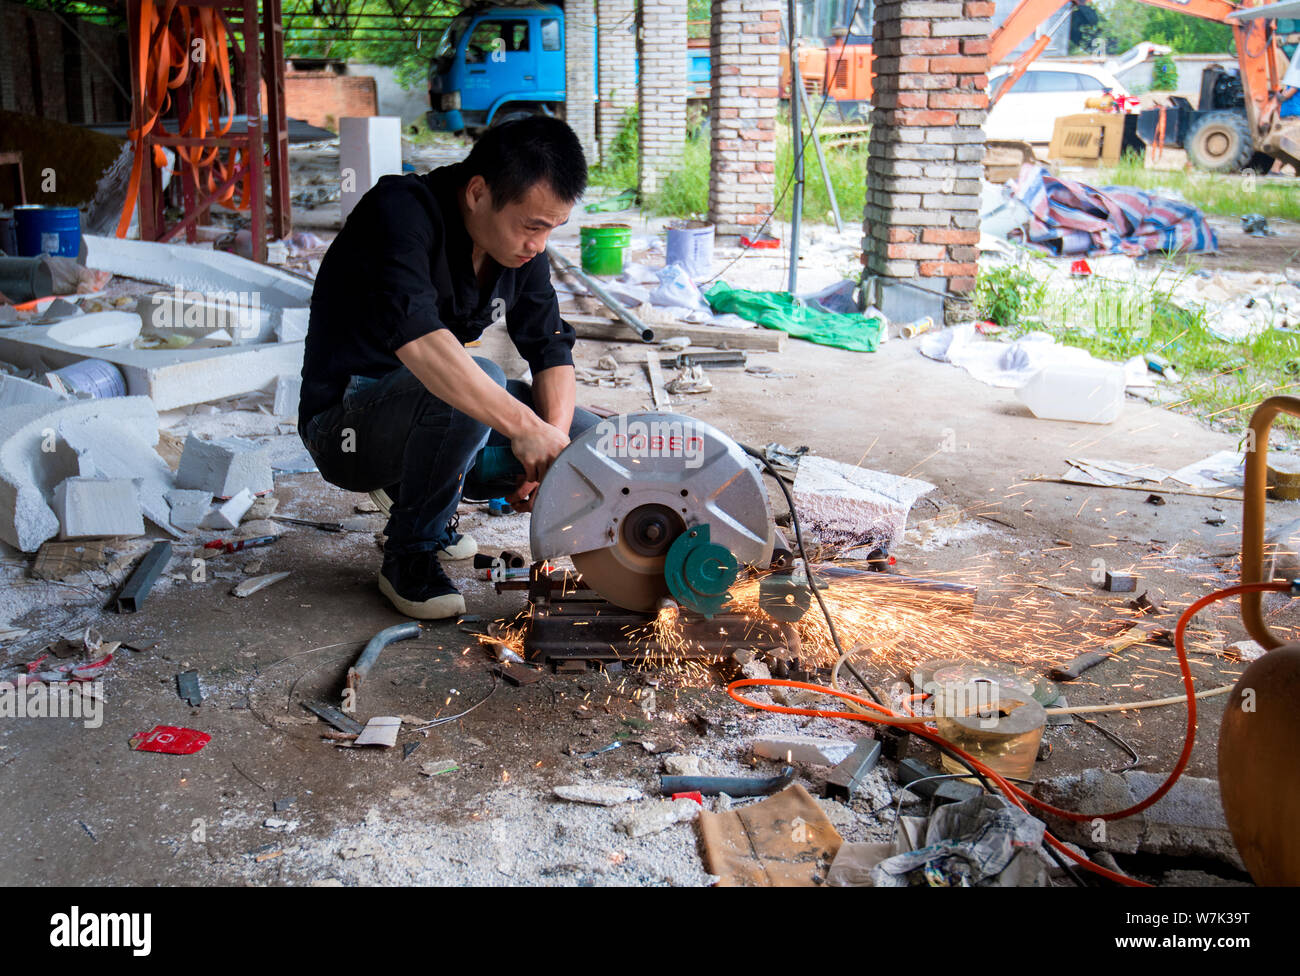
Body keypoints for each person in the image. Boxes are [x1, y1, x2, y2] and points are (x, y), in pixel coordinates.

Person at [299, 116, 598, 620]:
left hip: (436, 424)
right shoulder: (398, 211)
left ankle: (419, 497)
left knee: (594, 438)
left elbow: (550, 349)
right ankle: (409, 556)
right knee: (481, 378)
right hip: (345, 428)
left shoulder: (522, 252)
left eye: (552, 229)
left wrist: (553, 449)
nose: (539, 244)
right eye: (532, 226)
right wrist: (525, 428)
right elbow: (420, 342)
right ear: (478, 192)